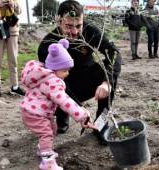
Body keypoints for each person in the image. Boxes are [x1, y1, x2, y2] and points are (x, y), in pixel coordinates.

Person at [37, 0, 122, 145]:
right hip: (62, 85)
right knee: (52, 84)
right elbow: (52, 82)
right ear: (59, 21)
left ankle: (101, 124)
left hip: (86, 78)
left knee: (108, 74)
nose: (75, 32)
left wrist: (107, 83)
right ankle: (62, 114)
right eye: (69, 26)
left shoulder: (90, 31)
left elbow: (113, 53)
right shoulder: (47, 45)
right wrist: (77, 109)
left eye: (78, 26)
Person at [21, 39, 96, 170]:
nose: (68, 73)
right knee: (46, 134)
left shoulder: (44, 75)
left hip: (35, 112)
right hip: (36, 114)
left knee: (52, 128)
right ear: (55, 68)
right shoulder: (52, 82)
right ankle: (47, 163)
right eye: (65, 70)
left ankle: (43, 148)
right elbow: (64, 101)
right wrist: (82, 115)